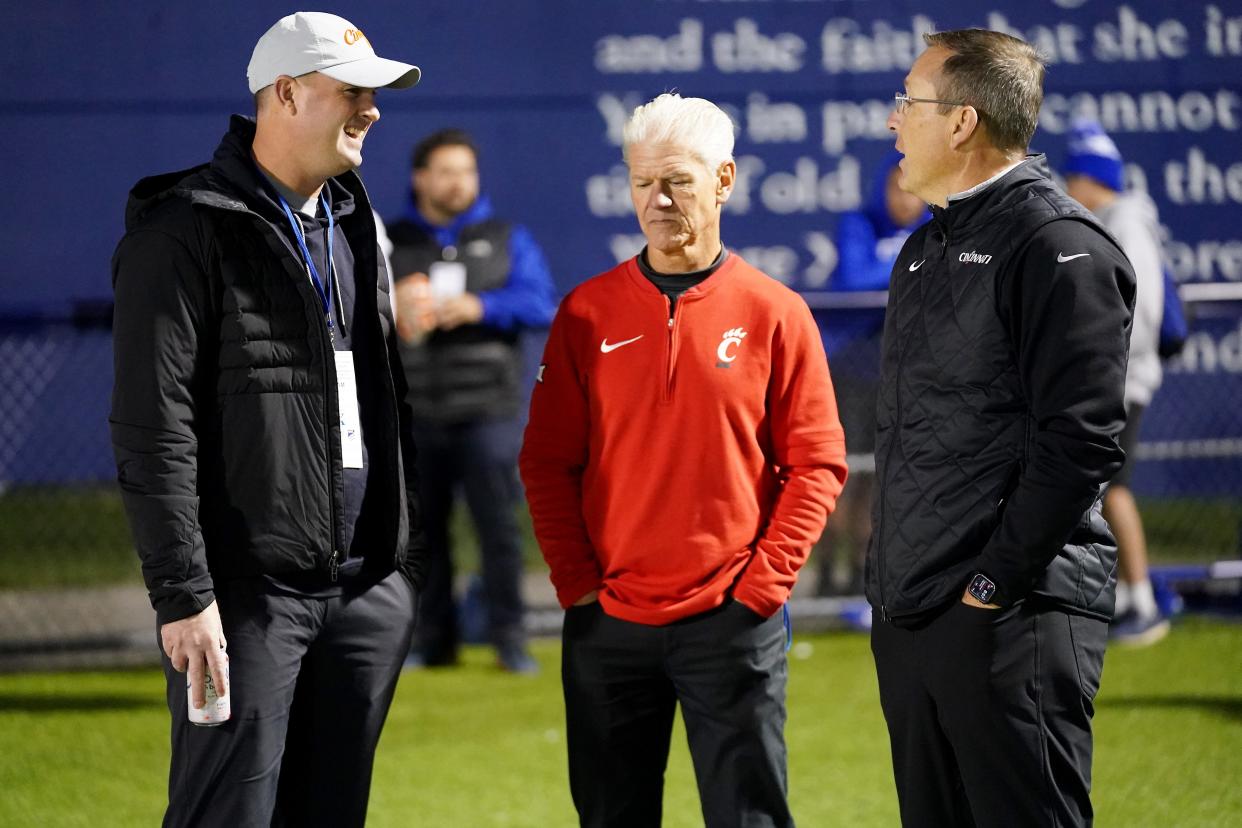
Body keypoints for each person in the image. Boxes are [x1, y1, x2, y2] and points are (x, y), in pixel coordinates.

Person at [110, 12, 425, 826]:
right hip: (246, 602)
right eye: (353, 91)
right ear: (284, 93)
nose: (373, 109)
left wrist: (394, 574)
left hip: (361, 593)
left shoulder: (354, 223)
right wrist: (184, 594)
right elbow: (155, 428)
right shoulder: (184, 228)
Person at [520, 93, 848, 828]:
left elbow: (817, 462)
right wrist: (576, 583)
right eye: (642, 183)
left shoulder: (776, 312)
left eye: (678, 182)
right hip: (608, 623)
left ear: (724, 179)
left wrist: (763, 586)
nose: (657, 200)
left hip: (732, 619)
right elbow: (546, 461)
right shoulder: (585, 313)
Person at [868, 29, 1135, 827]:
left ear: (960, 122)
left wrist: (991, 586)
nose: (892, 123)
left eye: (907, 102)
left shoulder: (1059, 246)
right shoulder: (923, 246)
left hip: (1010, 614)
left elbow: (1081, 441)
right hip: (915, 614)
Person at [387, 128, 557, 673]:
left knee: (498, 530)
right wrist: (393, 305)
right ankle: (432, 641)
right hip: (415, 409)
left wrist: (480, 307)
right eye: (445, 170)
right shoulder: (392, 240)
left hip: (489, 409)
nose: (457, 181)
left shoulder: (505, 236)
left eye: (466, 170)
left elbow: (539, 302)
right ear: (421, 178)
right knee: (419, 535)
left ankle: (510, 638)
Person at [1063, 118, 1171, 647]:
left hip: (1122, 381)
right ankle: (1129, 597)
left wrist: (1106, 368)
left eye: (1072, 176)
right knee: (1105, 490)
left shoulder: (1125, 221)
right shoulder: (1113, 219)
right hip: (1115, 378)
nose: (1066, 187)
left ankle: (1143, 602)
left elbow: (1142, 307)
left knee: (1115, 491)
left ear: (1089, 177)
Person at [815, 150, 928, 603]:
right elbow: (854, 279)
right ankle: (826, 573)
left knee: (881, 479)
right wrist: (908, 263)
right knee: (838, 475)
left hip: (900, 374)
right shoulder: (857, 224)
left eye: (912, 188)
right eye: (895, 187)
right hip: (849, 370)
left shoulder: (933, 227)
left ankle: (864, 572)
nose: (905, 198)